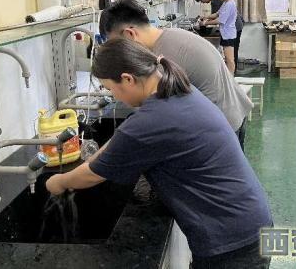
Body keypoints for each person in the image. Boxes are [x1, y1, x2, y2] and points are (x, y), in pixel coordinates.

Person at [45, 39, 272, 268]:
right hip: (248, 221)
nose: (114, 96)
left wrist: (58, 182)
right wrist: (95, 159)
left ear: (127, 79)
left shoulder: (152, 120)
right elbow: (120, 140)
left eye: (111, 89)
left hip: (232, 242)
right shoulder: (177, 91)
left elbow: (93, 175)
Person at [99, 0, 252, 150]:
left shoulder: (164, 58)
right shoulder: (171, 35)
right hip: (234, 112)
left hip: (223, 127)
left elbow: (149, 119)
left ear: (129, 35)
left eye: (117, 45)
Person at [194, 0, 245, 73]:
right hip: (233, 27)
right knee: (231, 55)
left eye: (201, 1)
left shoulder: (217, 0)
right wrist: (206, 17)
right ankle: (231, 74)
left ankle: (232, 74)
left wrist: (205, 23)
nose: (203, 3)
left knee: (231, 56)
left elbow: (219, 19)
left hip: (234, 27)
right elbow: (217, 14)